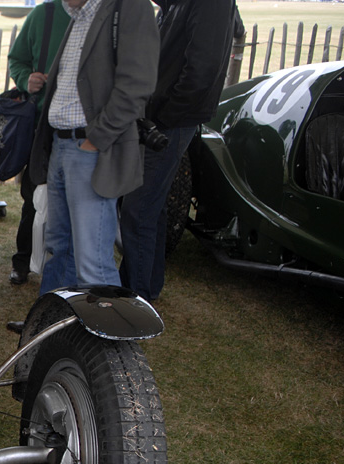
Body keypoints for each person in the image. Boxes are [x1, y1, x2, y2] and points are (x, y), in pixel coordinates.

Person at [28, 0, 159, 295]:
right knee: (60, 246)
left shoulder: (130, 7)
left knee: (92, 263)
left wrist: (96, 140)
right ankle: (54, 323)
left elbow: (137, 84)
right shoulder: (79, 16)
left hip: (89, 149)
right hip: (62, 146)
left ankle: (108, 339)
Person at [117, 0, 236, 301]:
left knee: (139, 207)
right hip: (162, 117)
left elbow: (203, 68)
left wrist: (165, 116)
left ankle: (136, 296)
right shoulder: (176, 6)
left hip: (171, 120)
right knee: (151, 206)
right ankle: (143, 286)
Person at [6, 0, 67, 286]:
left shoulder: (100, 17)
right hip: (42, 125)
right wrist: (25, 79)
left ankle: (61, 269)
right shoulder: (44, 13)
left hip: (80, 129)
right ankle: (22, 261)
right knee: (33, 197)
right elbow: (16, 59)